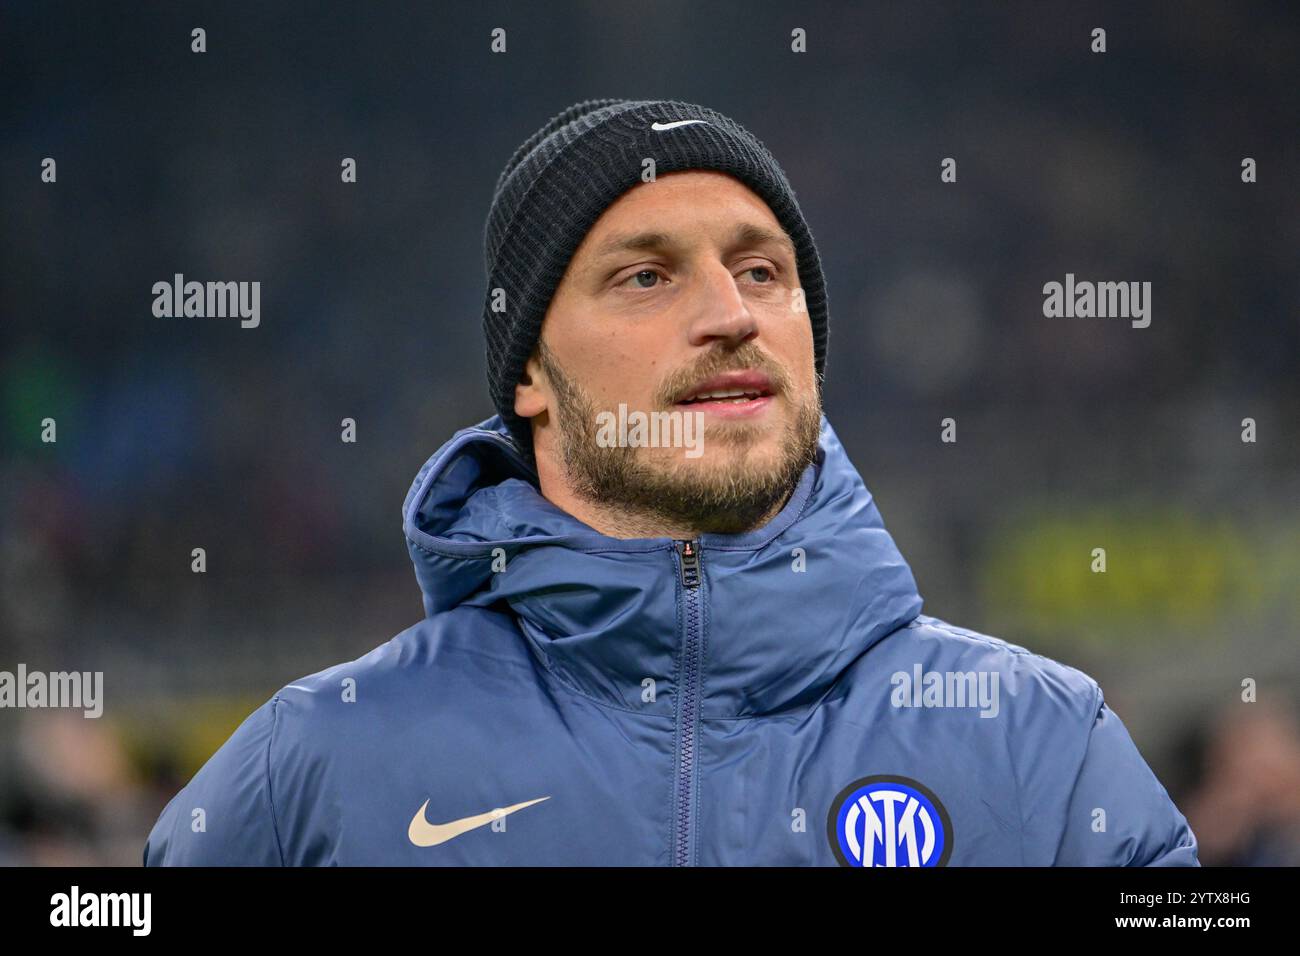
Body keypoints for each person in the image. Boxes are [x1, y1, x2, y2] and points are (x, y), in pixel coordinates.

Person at [144, 98, 1198, 866]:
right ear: (529, 377)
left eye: (761, 271)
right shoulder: (312, 764)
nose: (730, 313)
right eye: (645, 275)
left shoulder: (1044, 746)